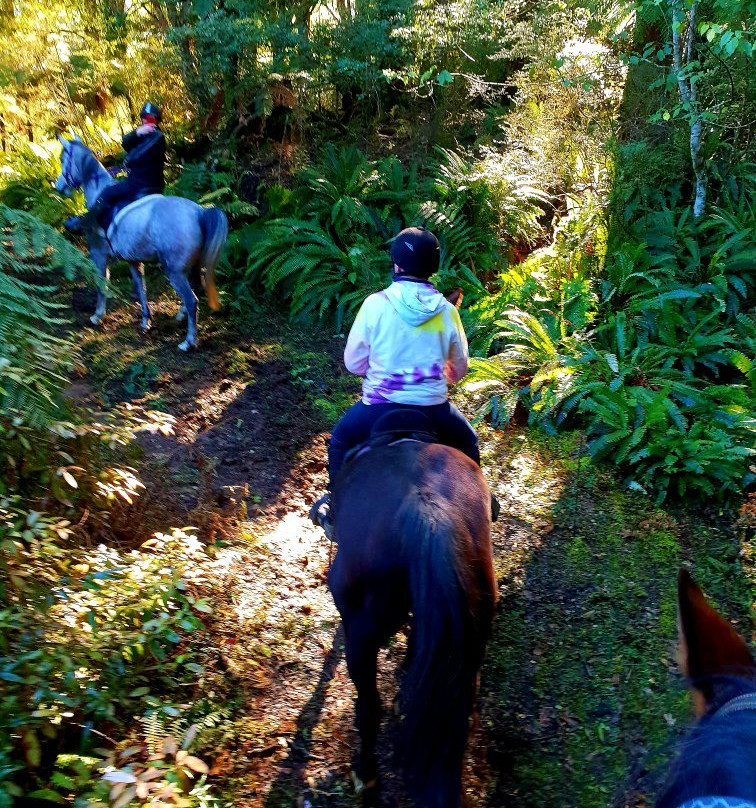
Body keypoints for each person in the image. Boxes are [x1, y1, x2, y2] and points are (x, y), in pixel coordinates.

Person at [310, 226, 484, 538]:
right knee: (469, 441)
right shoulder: (447, 311)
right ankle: (482, 508)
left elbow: (353, 363)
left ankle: (335, 512)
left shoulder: (375, 304)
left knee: (339, 441)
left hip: (378, 409)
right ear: (433, 267)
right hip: (433, 410)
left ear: (396, 265)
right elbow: (458, 370)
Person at [65, 102, 166, 236]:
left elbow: (133, 157)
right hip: (139, 179)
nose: (145, 121)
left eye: (149, 118)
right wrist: (137, 132)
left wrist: (126, 162)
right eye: (143, 118)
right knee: (115, 188)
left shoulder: (157, 136)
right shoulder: (144, 134)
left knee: (107, 192)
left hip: (143, 183)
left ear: (156, 120)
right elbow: (125, 143)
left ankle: (86, 225)